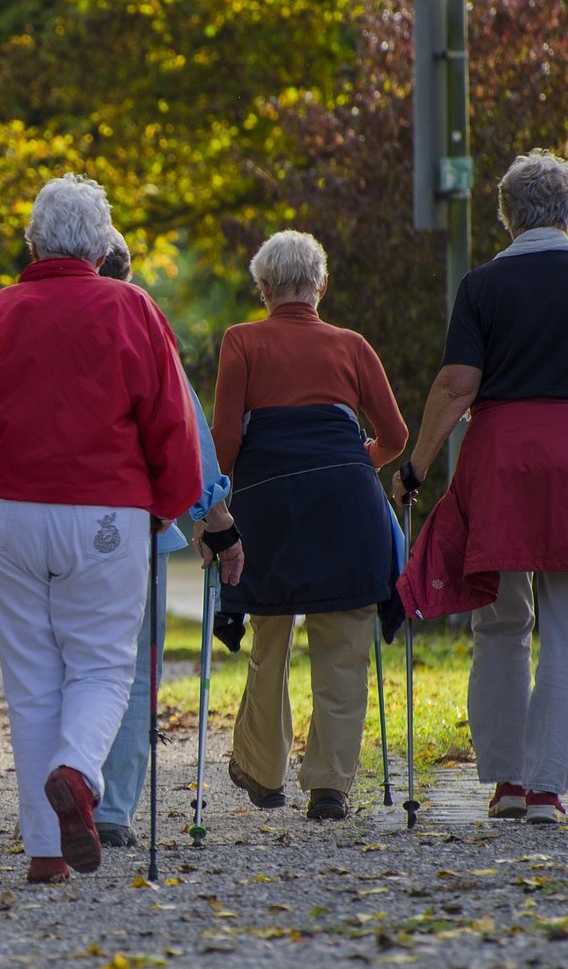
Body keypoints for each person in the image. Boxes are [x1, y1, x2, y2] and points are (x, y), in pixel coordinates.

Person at [0, 175, 202, 884]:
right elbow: (170, 423)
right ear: (103, 245)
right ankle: (77, 770)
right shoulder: (132, 307)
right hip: (104, 510)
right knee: (101, 664)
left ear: (32, 242)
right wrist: (167, 503)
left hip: (4, 513)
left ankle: (45, 850)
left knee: (31, 677)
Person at [391, 149, 568, 824]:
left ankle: (506, 782)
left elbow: (455, 385)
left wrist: (416, 466)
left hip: (499, 463)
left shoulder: (480, 286)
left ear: (506, 216)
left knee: (498, 619)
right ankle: (548, 788)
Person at [210, 230, 408, 822]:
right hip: (347, 508)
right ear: (321, 286)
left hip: (269, 507)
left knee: (270, 637)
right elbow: (395, 437)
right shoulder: (351, 345)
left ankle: (263, 772)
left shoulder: (241, 341)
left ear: (264, 288)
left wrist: (214, 504)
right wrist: (351, 465)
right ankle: (329, 787)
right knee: (345, 644)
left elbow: (226, 439)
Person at [92, 230, 243, 848]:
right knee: (132, 669)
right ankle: (113, 809)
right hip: (136, 526)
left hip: (41, 524)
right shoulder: (142, 323)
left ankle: (62, 792)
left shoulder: (24, 318)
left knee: (62, 666)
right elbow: (184, 430)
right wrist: (217, 522)